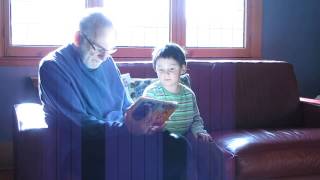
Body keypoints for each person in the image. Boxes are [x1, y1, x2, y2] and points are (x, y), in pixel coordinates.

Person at [39, 9, 187, 180]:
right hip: (84, 146)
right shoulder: (53, 67)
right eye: (98, 49)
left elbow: (125, 104)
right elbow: (81, 125)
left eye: (109, 50)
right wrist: (128, 129)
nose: (104, 57)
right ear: (78, 38)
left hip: (119, 136)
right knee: (147, 159)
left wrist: (146, 120)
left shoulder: (107, 61)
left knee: (177, 145)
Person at [143, 43, 212, 142]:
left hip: (185, 137)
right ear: (155, 69)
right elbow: (145, 122)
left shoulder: (189, 94)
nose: (166, 73)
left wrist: (199, 131)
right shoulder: (151, 93)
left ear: (182, 69)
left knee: (208, 145)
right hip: (159, 139)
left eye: (171, 69)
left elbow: (195, 119)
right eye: (161, 69)